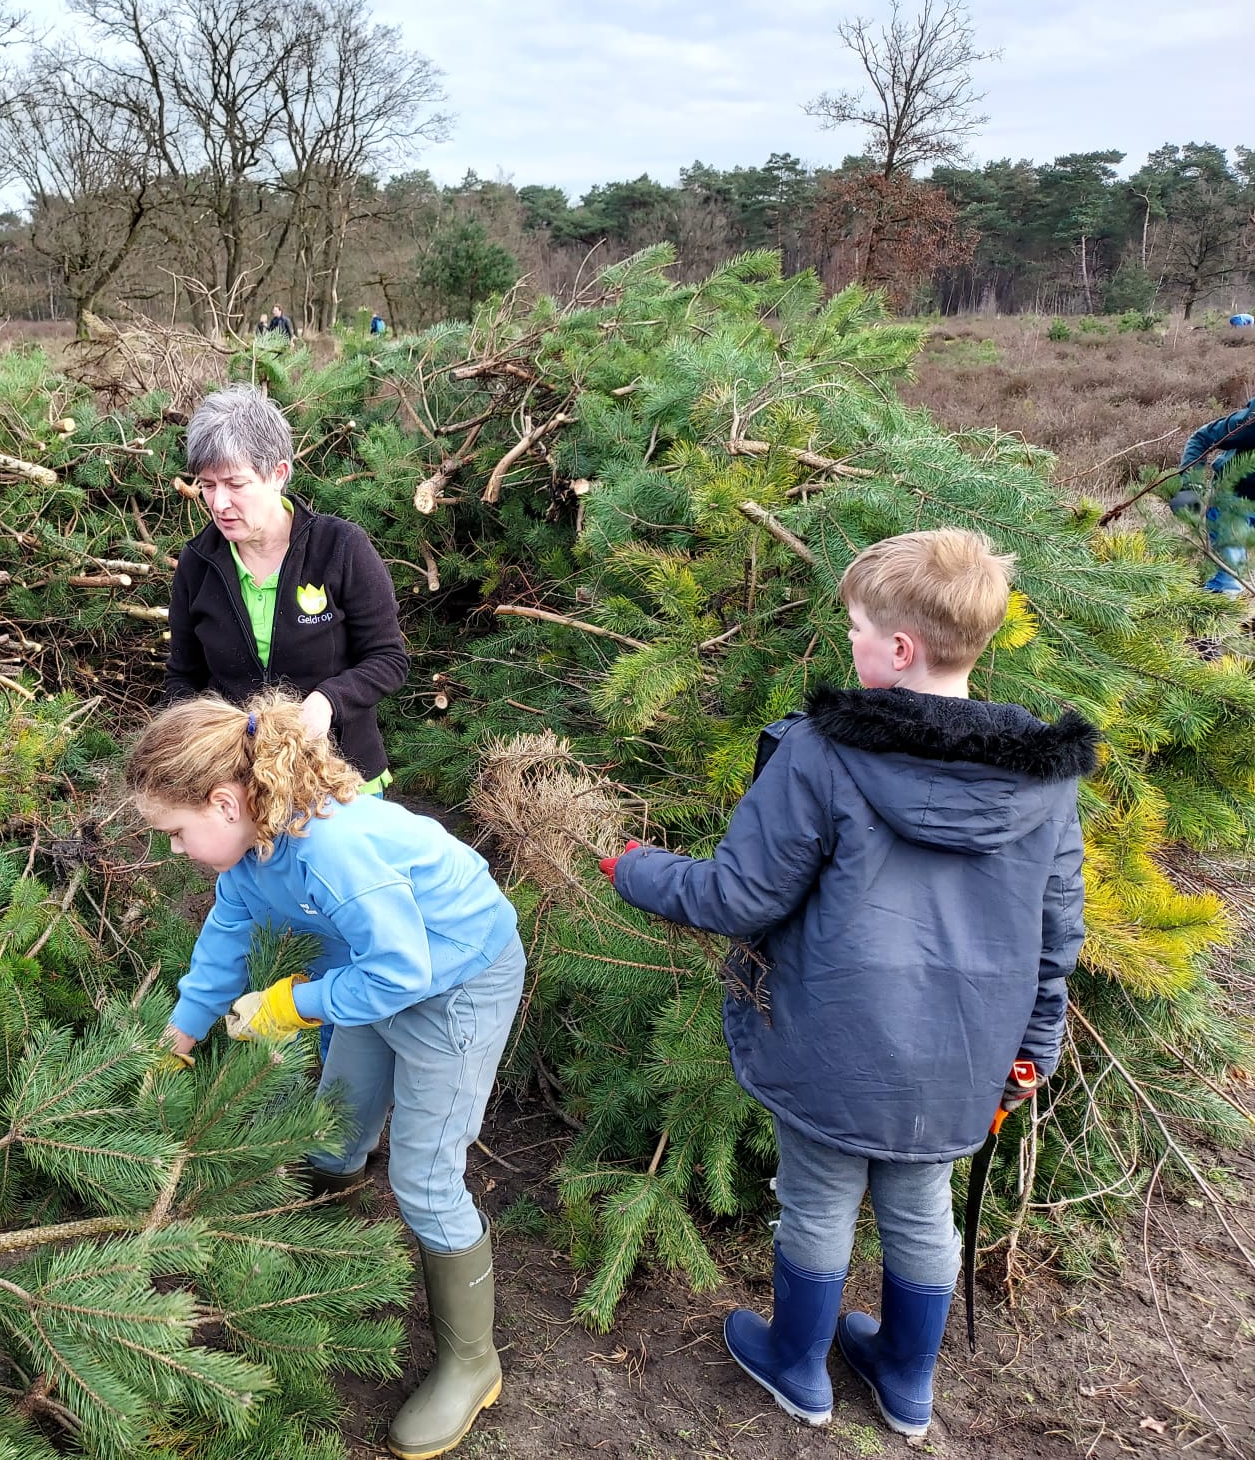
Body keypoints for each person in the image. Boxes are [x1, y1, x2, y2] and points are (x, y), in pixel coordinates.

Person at [603, 529, 1096, 1439]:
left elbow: (738, 893)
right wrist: (1034, 1047)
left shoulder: (823, 753)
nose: (852, 644)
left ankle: (800, 1367)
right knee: (921, 1205)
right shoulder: (1043, 780)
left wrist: (632, 865)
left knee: (820, 1198)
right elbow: (1057, 933)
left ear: (900, 650)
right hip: (964, 1052)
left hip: (832, 1039)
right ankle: (907, 1383)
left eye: (860, 628)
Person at [132, 687, 526, 1460]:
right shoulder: (253, 850)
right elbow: (224, 939)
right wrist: (177, 1038)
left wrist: (293, 1004)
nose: (173, 849)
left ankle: (473, 1364)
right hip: (376, 973)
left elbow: (405, 968)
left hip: (456, 984)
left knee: (424, 1175)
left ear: (221, 802)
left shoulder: (333, 851)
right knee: (339, 1114)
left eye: (175, 834)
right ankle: (329, 1231)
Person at [165, 384, 408, 795]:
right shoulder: (197, 564)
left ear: (277, 474)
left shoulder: (341, 547)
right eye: (207, 485)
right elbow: (182, 679)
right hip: (244, 787)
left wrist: (328, 701)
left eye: (235, 484)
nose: (219, 502)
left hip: (342, 779)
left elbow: (388, 659)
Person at [1170, 396, 1255, 593]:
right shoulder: (1250, 424)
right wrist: (1190, 487)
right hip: (1233, 500)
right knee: (1229, 583)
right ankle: (1209, 616)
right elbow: (1202, 437)